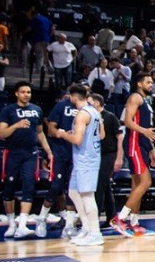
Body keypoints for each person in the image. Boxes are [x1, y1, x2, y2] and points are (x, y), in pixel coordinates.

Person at [0, 80, 54, 239]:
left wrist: (48, 151)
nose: (26, 95)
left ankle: (22, 225)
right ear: (16, 93)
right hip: (12, 153)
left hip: (31, 153)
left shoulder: (37, 110)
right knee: (9, 188)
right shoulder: (8, 110)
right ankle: (11, 224)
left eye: (28, 92)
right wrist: (16, 125)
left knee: (29, 187)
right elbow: (1, 134)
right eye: (23, 92)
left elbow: (40, 133)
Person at [52, 84, 105, 246]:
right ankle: (86, 228)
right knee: (73, 192)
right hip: (84, 157)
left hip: (86, 158)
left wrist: (62, 134)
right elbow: (102, 135)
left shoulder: (81, 115)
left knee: (87, 195)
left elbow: (77, 140)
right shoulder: (94, 111)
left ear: (73, 97)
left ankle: (95, 233)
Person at [110, 72, 155, 237]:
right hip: (134, 143)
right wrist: (144, 131)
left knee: (137, 185)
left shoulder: (145, 101)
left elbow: (146, 128)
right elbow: (128, 122)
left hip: (142, 145)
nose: (151, 84)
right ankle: (119, 218)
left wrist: (151, 149)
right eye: (148, 82)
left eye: (152, 82)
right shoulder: (135, 97)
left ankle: (134, 223)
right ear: (139, 83)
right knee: (146, 182)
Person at [36, 89, 79, 238]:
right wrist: (64, 133)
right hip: (60, 152)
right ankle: (41, 219)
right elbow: (50, 131)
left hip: (77, 154)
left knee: (73, 190)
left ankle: (68, 226)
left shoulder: (87, 108)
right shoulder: (62, 106)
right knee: (56, 187)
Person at [90, 93, 123, 229]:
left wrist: (119, 158)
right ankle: (111, 216)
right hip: (97, 154)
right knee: (106, 187)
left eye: (90, 102)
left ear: (97, 103)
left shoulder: (110, 117)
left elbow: (120, 138)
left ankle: (94, 221)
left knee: (98, 186)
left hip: (109, 155)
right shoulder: (92, 117)